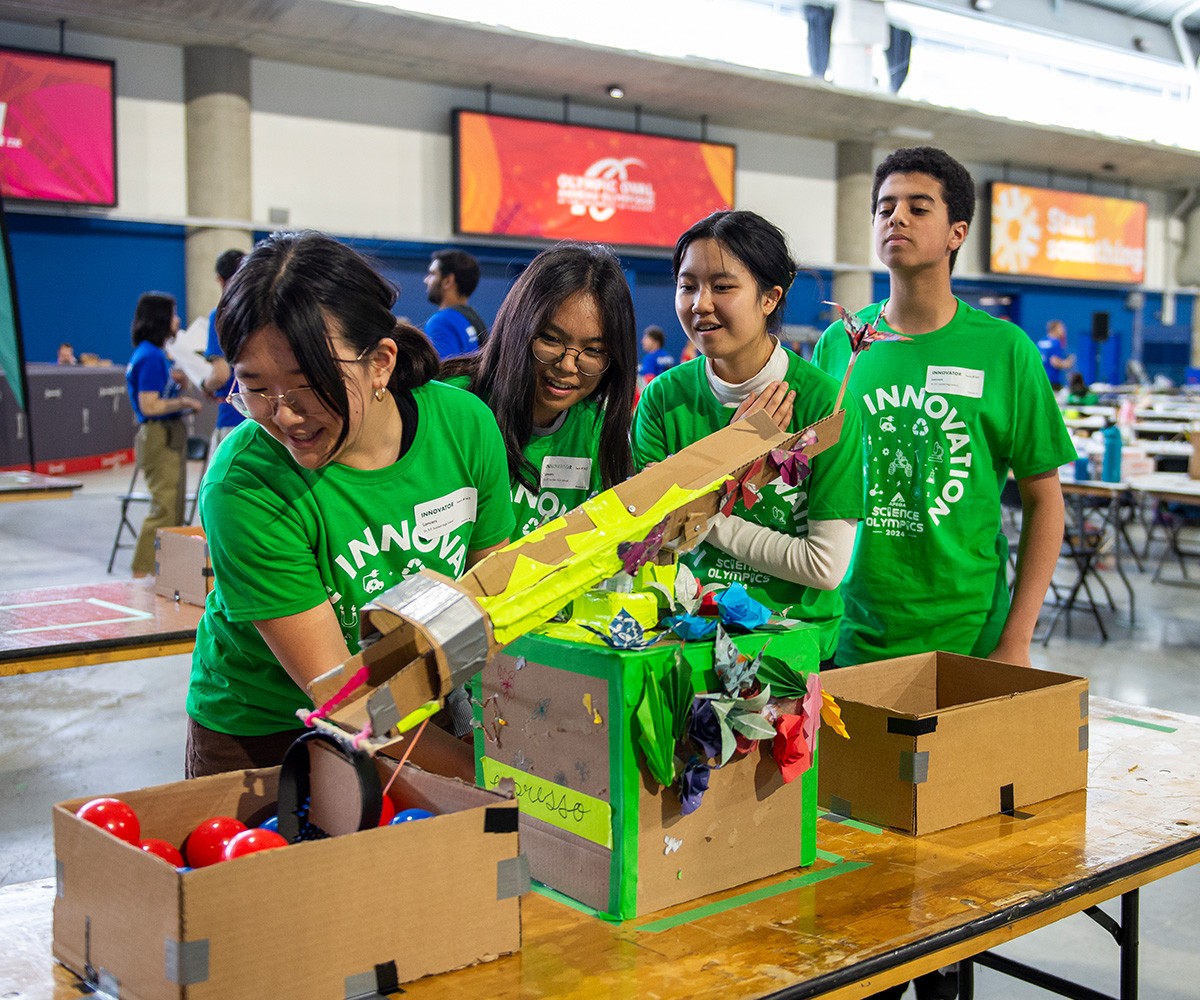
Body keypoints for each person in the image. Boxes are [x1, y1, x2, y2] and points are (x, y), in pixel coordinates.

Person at [185, 232, 515, 778]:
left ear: (380, 362)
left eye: (307, 384)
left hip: (416, 706)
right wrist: (492, 774)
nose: (284, 416)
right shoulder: (245, 484)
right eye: (255, 389)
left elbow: (490, 599)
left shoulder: (464, 427)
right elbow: (343, 698)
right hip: (269, 734)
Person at [632, 210, 864, 668]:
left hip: (793, 646)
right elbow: (650, 543)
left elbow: (825, 568)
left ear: (769, 298)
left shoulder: (825, 405)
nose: (700, 303)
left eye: (722, 287)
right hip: (687, 637)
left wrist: (697, 508)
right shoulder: (663, 399)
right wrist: (730, 457)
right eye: (687, 285)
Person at [440, 242, 637, 539]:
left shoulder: (596, 430)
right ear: (518, 327)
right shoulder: (453, 409)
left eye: (594, 350)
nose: (568, 365)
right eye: (551, 339)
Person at [124, 292, 204, 577]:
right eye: (173, 314)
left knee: (174, 509)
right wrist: (182, 402)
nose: (177, 320)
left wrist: (179, 383)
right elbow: (149, 404)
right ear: (160, 318)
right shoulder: (150, 356)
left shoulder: (158, 356)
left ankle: (166, 574)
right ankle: (142, 573)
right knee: (164, 510)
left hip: (169, 434)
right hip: (158, 435)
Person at [200, 248, 247, 447]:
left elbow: (221, 374)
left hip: (233, 418)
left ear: (220, 279)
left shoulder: (221, 315)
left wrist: (204, 385)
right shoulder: (267, 312)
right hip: (267, 418)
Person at [423, 248, 489, 359]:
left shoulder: (440, 322)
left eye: (433, 274)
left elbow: (443, 374)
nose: (426, 280)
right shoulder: (476, 320)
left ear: (448, 281)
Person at [1037, 319, 1075, 391]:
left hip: (1040, 379)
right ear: (1055, 329)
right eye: (1061, 328)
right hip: (1053, 382)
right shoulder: (1055, 343)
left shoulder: (1041, 341)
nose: (1063, 331)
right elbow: (1055, 362)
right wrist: (1068, 363)